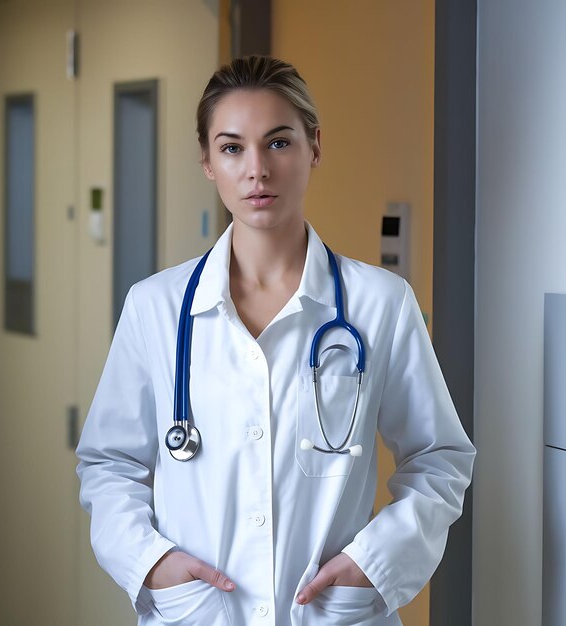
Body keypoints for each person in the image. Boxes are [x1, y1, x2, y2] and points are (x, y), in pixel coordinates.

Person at [76, 55, 476, 626]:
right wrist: (153, 563)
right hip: (200, 612)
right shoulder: (157, 308)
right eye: (232, 147)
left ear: (315, 146)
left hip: (330, 613)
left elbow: (439, 457)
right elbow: (109, 463)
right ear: (208, 162)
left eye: (279, 143)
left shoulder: (379, 304)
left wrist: (374, 562)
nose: (257, 169)